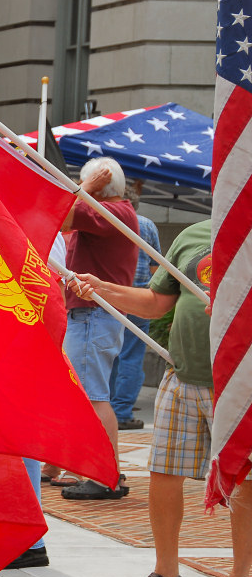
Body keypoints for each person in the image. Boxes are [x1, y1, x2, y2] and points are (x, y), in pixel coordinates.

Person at [75, 219, 252, 577]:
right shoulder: (193, 234)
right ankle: (167, 576)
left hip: (241, 383)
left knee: (245, 480)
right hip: (182, 376)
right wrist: (102, 288)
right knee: (164, 473)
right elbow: (156, 302)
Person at [59, 157, 138, 501]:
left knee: (93, 397)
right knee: (89, 394)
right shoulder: (114, 212)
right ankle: (100, 469)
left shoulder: (111, 212)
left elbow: (61, 215)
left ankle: (105, 475)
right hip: (92, 315)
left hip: (92, 315)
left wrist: (85, 188)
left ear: (100, 186)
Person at [109, 184, 160, 430]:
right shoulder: (147, 225)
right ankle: (122, 412)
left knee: (109, 355)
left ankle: (105, 409)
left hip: (111, 297)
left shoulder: (106, 219)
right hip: (140, 299)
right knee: (132, 357)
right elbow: (156, 268)